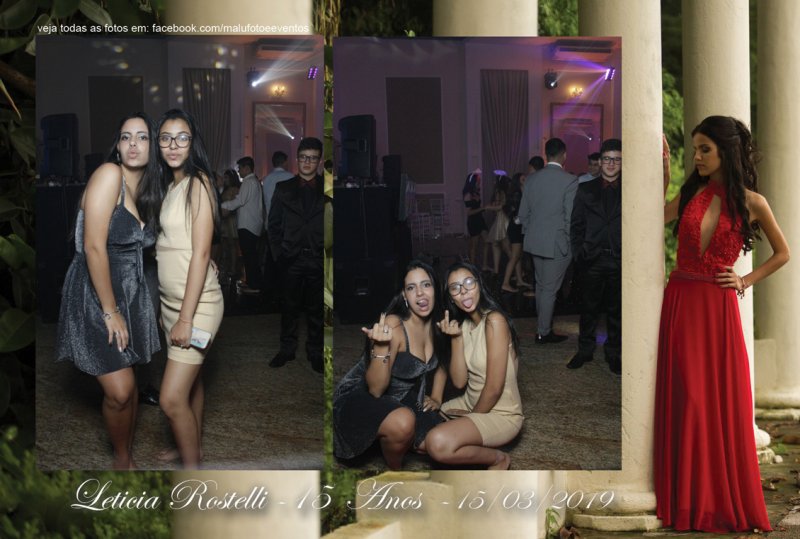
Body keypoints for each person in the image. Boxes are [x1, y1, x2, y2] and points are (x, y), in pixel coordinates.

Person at [655, 116, 789, 532]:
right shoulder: (690, 192)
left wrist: (745, 280)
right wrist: (664, 176)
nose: (696, 157)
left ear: (725, 152)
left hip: (718, 308)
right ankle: (687, 503)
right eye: (695, 149)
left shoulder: (753, 202)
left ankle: (714, 503)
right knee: (690, 400)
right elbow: (654, 219)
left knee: (714, 404)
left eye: (704, 149)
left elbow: (783, 253)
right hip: (682, 301)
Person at [55, 112, 163, 469]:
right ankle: (122, 461)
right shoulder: (109, 174)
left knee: (130, 389)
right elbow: (93, 247)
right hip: (97, 294)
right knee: (120, 391)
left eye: (142, 137)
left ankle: (125, 456)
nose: (133, 144)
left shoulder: (145, 191)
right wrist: (110, 310)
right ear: (117, 145)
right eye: (126, 136)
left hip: (130, 295)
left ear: (153, 147)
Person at [155, 109, 224, 468]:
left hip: (196, 307)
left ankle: (193, 474)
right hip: (172, 303)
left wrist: (185, 318)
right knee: (192, 383)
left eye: (182, 137)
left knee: (170, 399)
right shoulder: (171, 185)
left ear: (192, 142)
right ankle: (190, 447)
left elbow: (201, 252)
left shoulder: (199, 182)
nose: (173, 145)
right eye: (165, 138)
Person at [333, 261, 447, 470]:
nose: (420, 293)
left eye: (426, 285)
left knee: (434, 443)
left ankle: (386, 435)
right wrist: (382, 347)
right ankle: (396, 471)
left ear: (435, 289)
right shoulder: (394, 324)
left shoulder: (438, 324)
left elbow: (442, 361)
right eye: (411, 288)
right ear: (404, 296)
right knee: (403, 423)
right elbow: (376, 390)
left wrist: (437, 396)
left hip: (403, 397)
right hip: (361, 395)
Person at [424, 262, 524, 470]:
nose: (463, 291)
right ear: (451, 297)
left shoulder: (495, 320)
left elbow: (494, 388)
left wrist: (470, 419)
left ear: (479, 284)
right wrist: (456, 338)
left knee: (437, 443)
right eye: (455, 288)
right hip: (468, 403)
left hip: (501, 414)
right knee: (417, 436)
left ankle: (499, 459)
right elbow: (460, 381)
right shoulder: (465, 325)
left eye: (469, 282)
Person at [268, 137, 327, 373]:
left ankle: (315, 352)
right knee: (288, 308)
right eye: (303, 157)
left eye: (312, 158)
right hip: (290, 258)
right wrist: (279, 255)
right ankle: (287, 349)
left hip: (318, 258)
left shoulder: (328, 189)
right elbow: (273, 225)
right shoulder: (283, 189)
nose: (307, 162)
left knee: (316, 310)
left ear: (319, 161)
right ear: (297, 159)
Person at [568, 139, 622, 374]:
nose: (611, 163)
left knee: (616, 311)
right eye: (607, 159)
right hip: (591, 259)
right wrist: (579, 253)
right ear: (600, 161)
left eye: (616, 159)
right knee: (588, 309)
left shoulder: (631, 189)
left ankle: (614, 354)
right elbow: (576, 225)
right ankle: (585, 350)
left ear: (622, 163)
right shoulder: (585, 189)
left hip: (619, 259)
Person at [518, 138, 578, 344]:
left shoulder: (532, 179)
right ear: (564, 155)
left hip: (535, 242)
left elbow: (523, 214)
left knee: (542, 287)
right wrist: (570, 244)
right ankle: (543, 332)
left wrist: (532, 233)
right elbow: (570, 218)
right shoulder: (569, 180)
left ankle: (543, 327)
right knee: (549, 290)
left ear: (546, 154)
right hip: (558, 244)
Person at [221, 156, 263, 294]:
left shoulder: (248, 182)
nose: (238, 171)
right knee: (249, 255)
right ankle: (251, 282)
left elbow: (240, 201)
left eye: (240, 168)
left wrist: (223, 206)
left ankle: (254, 285)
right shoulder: (253, 181)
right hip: (251, 224)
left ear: (247, 168)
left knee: (250, 256)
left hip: (248, 225)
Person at [501, 173, 532, 293]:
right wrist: (515, 216)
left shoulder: (521, 192)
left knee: (517, 256)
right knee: (514, 257)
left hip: (517, 226)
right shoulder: (517, 193)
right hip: (516, 227)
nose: (526, 179)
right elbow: (519, 210)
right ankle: (505, 283)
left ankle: (519, 280)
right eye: (523, 178)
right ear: (518, 181)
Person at [217, 168, 241, 282]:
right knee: (224, 246)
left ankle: (233, 268)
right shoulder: (224, 190)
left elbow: (236, 205)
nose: (224, 180)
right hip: (223, 220)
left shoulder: (236, 189)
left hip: (231, 220)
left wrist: (228, 212)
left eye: (226, 177)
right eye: (224, 177)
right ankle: (226, 268)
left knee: (232, 245)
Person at [463, 169, 489, 269]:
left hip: (480, 219)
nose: (479, 182)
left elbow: (477, 207)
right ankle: (472, 267)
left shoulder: (476, 193)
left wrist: (483, 208)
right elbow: (469, 213)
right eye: (478, 181)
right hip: (473, 221)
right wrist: (482, 208)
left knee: (487, 241)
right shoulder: (468, 194)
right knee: (474, 245)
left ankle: (484, 265)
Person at [486, 173, 511, 276]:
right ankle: (496, 270)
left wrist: (488, 207)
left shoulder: (500, 192)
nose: (493, 182)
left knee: (505, 246)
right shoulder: (503, 191)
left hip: (502, 219)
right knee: (496, 244)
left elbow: (501, 206)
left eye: (495, 180)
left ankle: (517, 269)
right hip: (501, 218)